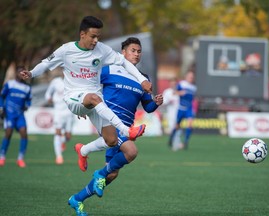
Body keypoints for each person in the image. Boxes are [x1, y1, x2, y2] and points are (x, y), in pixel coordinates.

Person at [20, 16, 152, 162]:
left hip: (93, 102)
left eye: (98, 37)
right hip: (75, 98)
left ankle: (83, 151)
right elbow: (46, 64)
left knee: (112, 140)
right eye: (93, 36)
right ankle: (126, 130)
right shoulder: (66, 50)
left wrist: (142, 79)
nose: (96, 40)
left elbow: (124, 63)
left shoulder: (102, 50)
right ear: (82, 34)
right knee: (94, 98)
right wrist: (31, 73)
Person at [68, 37, 163, 215]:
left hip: (126, 127)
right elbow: (88, 86)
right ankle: (96, 171)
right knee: (131, 152)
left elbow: (148, 107)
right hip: (108, 123)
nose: (136, 54)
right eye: (133, 50)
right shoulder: (109, 69)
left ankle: (77, 199)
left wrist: (155, 102)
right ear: (123, 53)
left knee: (111, 174)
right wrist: (83, 106)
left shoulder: (143, 79)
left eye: (139, 51)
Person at [0, 66, 32, 167]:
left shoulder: (27, 87)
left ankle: (20, 158)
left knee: (24, 133)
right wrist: (1, 108)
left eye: (23, 73)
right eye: (20, 72)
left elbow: (29, 100)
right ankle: (2, 157)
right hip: (9, 114)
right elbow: (2, 96)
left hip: (20, 115)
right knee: (8, 133)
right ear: (16, 74)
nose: (22, 75)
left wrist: (27, 105)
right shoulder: (10, 84)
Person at [45, 73, 75, 165]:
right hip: (58, 111)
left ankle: (62, 141)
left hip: (69, 112)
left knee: (68, 137)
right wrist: (48, 99)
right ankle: (59, 157)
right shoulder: (56, 81)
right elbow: (48, 93)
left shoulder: (73, 81)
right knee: (57, 132)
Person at [168, 70, 197, 150]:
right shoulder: (181, 84)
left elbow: (193, 99)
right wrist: (181, 93)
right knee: (177, 126)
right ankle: (171, 138)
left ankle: (186, 142)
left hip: (189, 109)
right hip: (181, 108)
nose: (191, 78)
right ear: (186, 77)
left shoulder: (194, 87)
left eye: (192, 77)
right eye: (190, 76)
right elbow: (174, 92)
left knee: (190, 124)